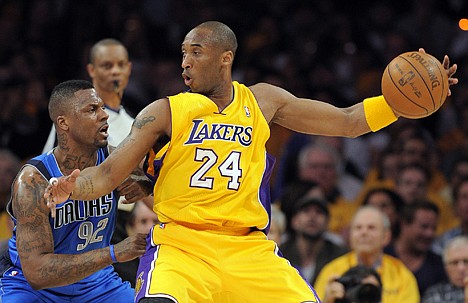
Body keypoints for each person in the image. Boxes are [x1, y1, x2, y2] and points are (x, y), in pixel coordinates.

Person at [45, 21, 457, 303]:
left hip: (247, 248)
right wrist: (71, 187)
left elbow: (347, 122)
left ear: (225, 57)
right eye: (182, 53)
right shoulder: (165, 110)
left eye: (196, 52)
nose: (185, 62)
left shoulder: (263, 100)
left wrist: (398, 102)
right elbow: (108, 173)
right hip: (183, 245)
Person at [0, 80, 148, 302]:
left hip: (98, 283)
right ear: (64, 122)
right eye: (92, 109)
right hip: (33, 287)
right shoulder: (32, 181)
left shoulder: (116, 161)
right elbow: (37, 274)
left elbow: (167, 201)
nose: (104, 115)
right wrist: (114, 253)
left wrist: (147, 185)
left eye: (102, 108)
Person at [314, 205, 420, 302]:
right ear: (350, 235)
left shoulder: (401, 276)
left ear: (386, 236)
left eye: (371, 227)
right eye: (358, 228)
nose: (364, 232)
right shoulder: (332, 271)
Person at [280, 196, 349, 286]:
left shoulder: (339, 256)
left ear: (327, 223)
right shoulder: (281, 253)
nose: (312, 216)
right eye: (306, 211)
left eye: (319, 212)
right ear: (294, 221)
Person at [384, 201, 447, 295]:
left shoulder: (438, 265)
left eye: (433, 228)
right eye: (424, 227)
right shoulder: (382, 257)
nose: (429, 234)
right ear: (404, 224)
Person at [114, 201, 160, 288]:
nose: (150, 227)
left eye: (156, 221)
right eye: (143, 221)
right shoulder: (118, 264)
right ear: (130, 226)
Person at [422, 235, 468, 303]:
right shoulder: (435, 294)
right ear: (446, 267)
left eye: (466, 261)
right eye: (454, 263)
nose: (461, 268)